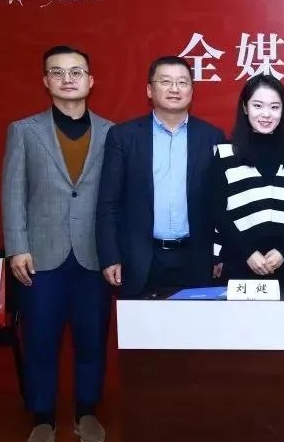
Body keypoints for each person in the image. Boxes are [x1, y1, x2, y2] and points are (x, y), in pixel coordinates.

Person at [1, 45, 113, 442]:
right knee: (41, 342)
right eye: (58, 72)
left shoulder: (112, 133)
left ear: (90, 80)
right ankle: (42, 419)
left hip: (94, 257)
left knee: (92, 341)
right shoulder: (24, 131)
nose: (68, 79)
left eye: (76, 71)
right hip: (40, 257)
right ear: (46, 81)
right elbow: (13, 192)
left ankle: (86, 412)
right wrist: (17, 247)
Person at [96, 56, 225, 298]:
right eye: (165, 81)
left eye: (182, 82)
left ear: (191, 90)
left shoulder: (212, 137)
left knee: (194, 323)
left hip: (195, 258)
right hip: (141, 257)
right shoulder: (123, 136)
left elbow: (219, 203)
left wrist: (218, 254)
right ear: (149, 90)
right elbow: (108, 203)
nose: (174, 89)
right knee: (141, 324)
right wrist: (110, 256)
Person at [211, 74, 284, 291]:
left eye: (274, 107)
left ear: (283, 111)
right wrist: (248, 253)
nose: (266, 114)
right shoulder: (225, 154)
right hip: (239, 260)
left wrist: (283, 251)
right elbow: (217, 211)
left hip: (282, 262)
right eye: (258, 105)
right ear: (245, 108)